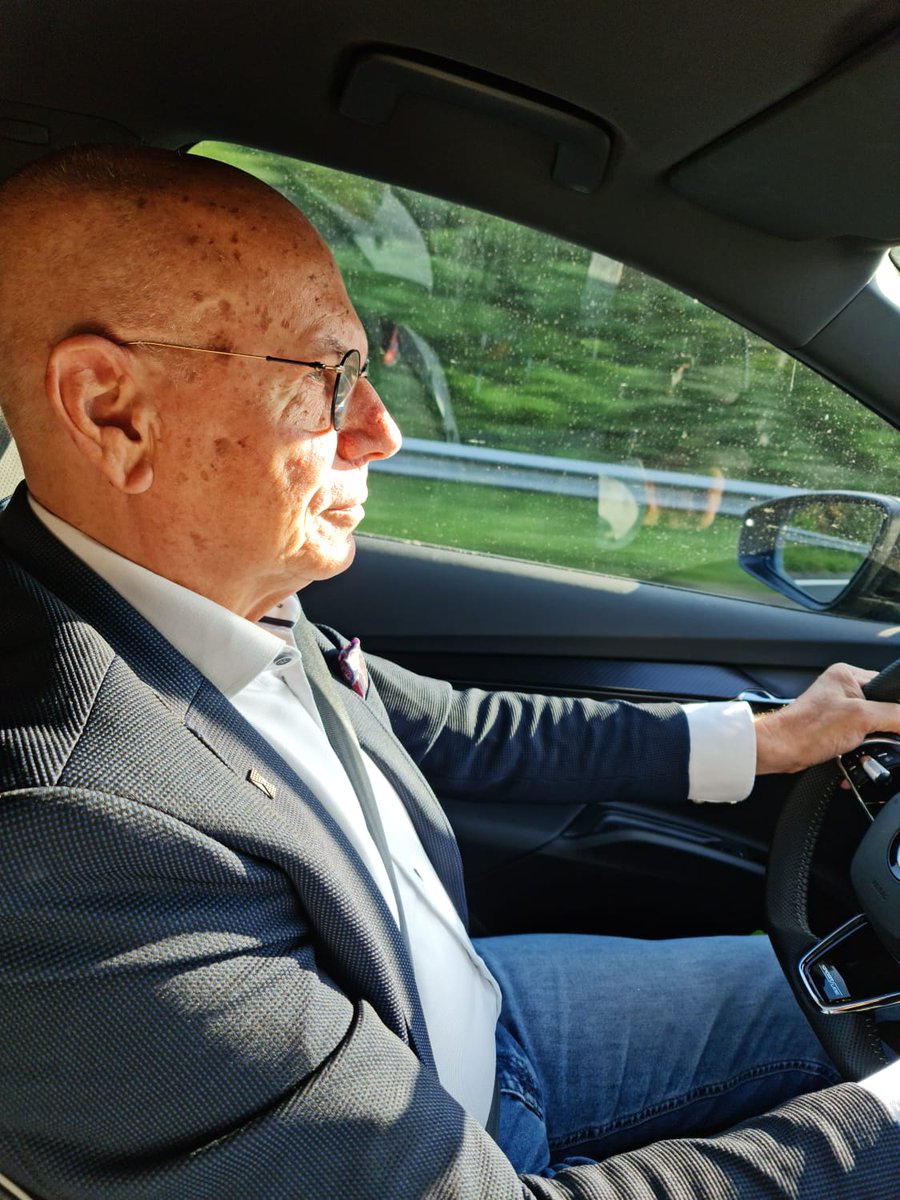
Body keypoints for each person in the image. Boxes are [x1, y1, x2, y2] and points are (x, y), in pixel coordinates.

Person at [0, 144, 896, 1199]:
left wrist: (770, 738)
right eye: (330, 380)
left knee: (855, 990)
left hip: (474, 1015)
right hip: (448, 1124)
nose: (381, 431)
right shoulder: (67, 841)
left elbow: (440, 724)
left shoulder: (195, 588)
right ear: (112, 410)